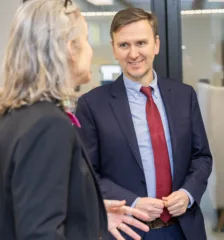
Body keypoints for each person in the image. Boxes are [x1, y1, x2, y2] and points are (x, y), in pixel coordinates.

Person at [0, 0, 149, 239]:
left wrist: (93, 213)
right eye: (87, 39)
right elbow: (40, 233)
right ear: (71, 49)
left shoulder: (16, 116)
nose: (91, 50)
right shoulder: (47, 125)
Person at [75, 7, 213, 240]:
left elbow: (201, 157)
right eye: (124, 45)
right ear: (114, 49)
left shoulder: (184, 96)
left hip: (183, 229)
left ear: (156, 45)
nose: (133, 53)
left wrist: (188, 193)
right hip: (127, 229)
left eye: (141, 43)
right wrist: (134, 201)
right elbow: (86, 173)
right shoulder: (92, 104)